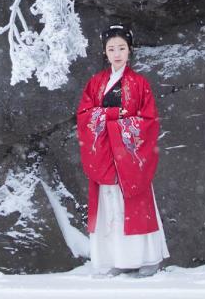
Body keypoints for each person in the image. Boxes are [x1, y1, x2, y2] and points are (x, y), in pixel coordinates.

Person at [76, 24, 170, 277]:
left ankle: (148, 258)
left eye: (121, 48)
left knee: (136, 206)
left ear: (129, 51)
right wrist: (114, 116)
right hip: (106, 156)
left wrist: (116, 126)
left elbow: (148, 120)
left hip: (130, 158)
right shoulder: (95, 84)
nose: (116, 53)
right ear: (104, 53)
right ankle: (119, 258)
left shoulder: (139, 84)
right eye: (111, 49)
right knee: (112, 209)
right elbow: (84, 116)